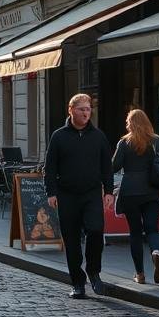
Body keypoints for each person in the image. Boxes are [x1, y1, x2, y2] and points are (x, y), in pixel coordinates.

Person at [44, 93, 114, 299]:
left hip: (92, 194)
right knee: (72, 240)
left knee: (95, 230)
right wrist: (51, 192)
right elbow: (50, 168)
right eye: (82, 109)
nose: (86, 112)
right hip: (67, 195)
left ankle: (93, 270)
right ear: (71, 110)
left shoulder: (98, 136)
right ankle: (77, 282)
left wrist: (109, 191)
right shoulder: (59, 136)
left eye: (88, 108)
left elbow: (107, 167)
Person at [111, 108, 159, 285]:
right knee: (152, 229)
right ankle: (156, 252)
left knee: (135, 233)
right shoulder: (156, 141)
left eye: (128, 121)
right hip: (152, 191)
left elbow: (113, 167)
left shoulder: (124, 143)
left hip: (130, 192)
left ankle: (140, 274)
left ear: (131, 123)